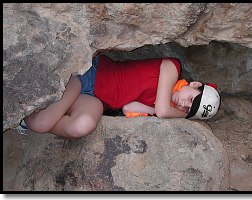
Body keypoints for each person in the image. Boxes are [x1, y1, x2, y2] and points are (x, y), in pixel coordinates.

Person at [14, 54, 221, 139]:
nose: (184, 105)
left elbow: (128, 108)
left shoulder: (161, 103)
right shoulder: (172, 67)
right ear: (194, 85)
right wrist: (181, 115)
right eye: (192, 99)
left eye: (188, 110)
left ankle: (45, 113)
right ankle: (26, 117)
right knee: (40, 124)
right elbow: (163, 110)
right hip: (88, 76)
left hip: (97, 100)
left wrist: (157, 112)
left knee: (82, 127)